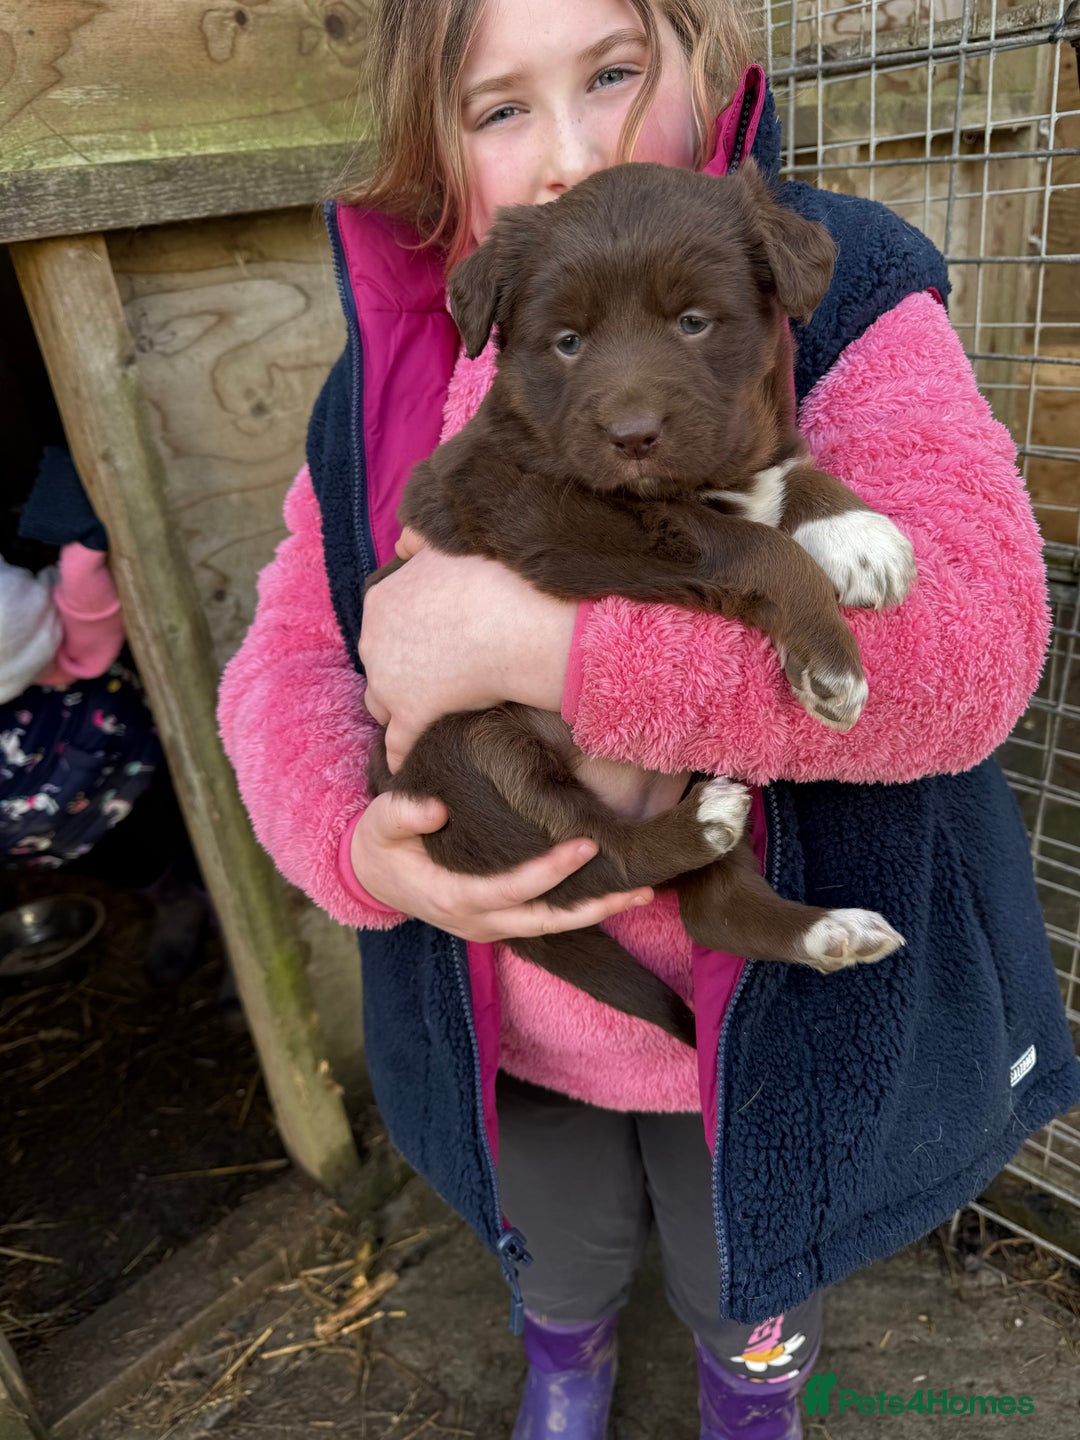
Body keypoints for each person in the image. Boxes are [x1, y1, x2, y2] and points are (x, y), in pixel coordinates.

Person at [217, 2, 1080, 1436]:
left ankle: (750, 1402)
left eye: (612, 74)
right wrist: (354, 852)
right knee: (556, 1245)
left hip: (753, 1040)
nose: (567, 152)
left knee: (752, 1273)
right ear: (436, 148)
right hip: (512, 1015)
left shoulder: (846, 287)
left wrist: (544, 649)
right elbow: (293, 651)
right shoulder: (391, 376)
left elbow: (973, 654)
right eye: (500, 109)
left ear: (705, 48)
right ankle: (568, 1364)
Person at [2, 447, 210, 986]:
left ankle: (233, 930)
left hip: (86, 751)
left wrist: (77, 579)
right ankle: (172, 897)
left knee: (171, 820)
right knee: (108, 853)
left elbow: (23, 623)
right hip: (29, 819)